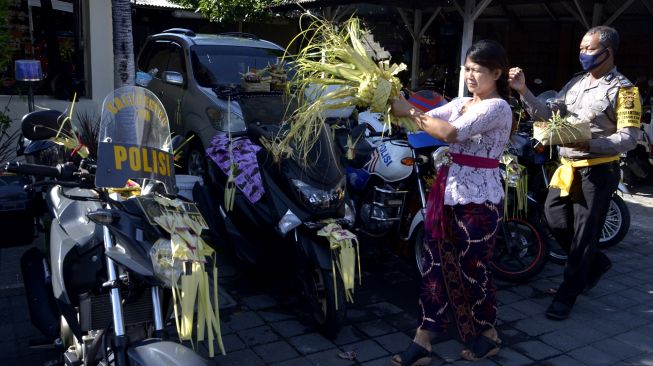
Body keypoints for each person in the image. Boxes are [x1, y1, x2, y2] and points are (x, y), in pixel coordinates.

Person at [389, 40, 513, 365]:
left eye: (478, 70)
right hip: (447, 195)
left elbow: (448, 133)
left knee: (473, 269)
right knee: (434, 267)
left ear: (496, 73)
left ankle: (487, 333)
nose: (471, 75)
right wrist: (389, 97)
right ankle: (423, 340)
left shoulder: (497, 108)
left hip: (479, 201)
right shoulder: (461, 101)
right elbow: (425, 118)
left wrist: (410, 111)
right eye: (467, 68)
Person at [508, 25, 641, 321]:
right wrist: (523, 90)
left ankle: (568, 294)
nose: (582, 53)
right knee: (553, 217)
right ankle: (595, 264)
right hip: (568, 168)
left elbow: (630, 138)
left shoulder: (626, 90)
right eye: (581, 48)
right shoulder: (576, 83)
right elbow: (548, 113)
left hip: (598, 171)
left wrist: (589, 143)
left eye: (588, 49)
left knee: (583, 236)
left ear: (608, 51)